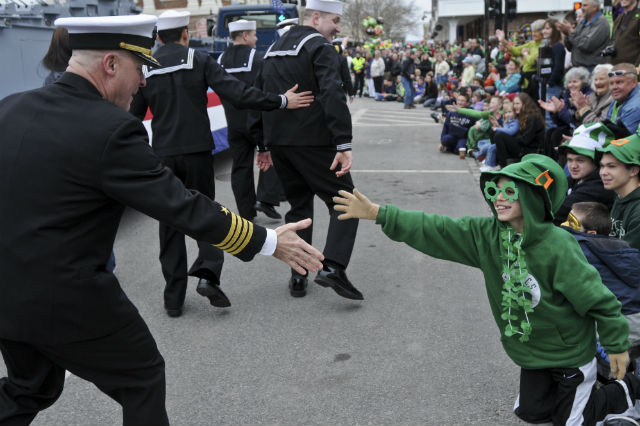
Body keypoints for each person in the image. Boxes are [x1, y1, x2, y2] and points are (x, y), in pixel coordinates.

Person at [0, 15, 324, 425]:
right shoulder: (110, 129)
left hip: (6, 294)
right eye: (139, 69)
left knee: (29, 387)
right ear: (111, 65)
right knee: (142, 378)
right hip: (64, 296)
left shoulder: (10, 107)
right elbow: (182, 205)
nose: (144, 82)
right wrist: (268, 241)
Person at [333, 154, 639, 426]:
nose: (499, 199)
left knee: (571, 422)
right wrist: (379, 213)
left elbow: (599, 300)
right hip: (532, 351)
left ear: (534, 197)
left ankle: (625, 390)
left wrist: (616, 344)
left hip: (569, 352)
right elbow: (437, 229)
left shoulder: (559, 246)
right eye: (494, 190)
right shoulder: (487, 235)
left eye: (510, 192)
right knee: (530, 413)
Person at [130, 10, 313, 317]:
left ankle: (173, 298)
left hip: (163, 155)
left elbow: (133, 114)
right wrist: (280, 101)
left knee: (170, 224)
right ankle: (207, 274)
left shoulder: (147, 69)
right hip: (198, 152)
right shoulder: (199, 60)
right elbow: (239, 94)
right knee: (205, 215)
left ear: (159, 37)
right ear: (186, 34)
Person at [254, 0, 363, 300]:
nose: (338, 28)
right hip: (314, 143)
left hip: (281, 145)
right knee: (347, 203)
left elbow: (261, 98)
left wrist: (263, 144)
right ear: (315, 17)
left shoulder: (272, 49)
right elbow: (331, 92)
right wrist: (343, 142)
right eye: (335, 21)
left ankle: (298, 277)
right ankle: (333, 268)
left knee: (300, 209)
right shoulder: (319, 47)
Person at [217, 19, 284, 223]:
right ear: (245, 36)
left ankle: (246, 212)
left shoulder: (220, 58)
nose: (256, 39)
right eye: (254, 35)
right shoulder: (258, 58)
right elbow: (267, 88)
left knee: (240, 167)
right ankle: (267, 199)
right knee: (274, 155)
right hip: (257, 119)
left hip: (233, 122)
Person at [561, 202, 640, 348]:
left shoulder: (579, 246)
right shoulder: (616, 247)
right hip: (634, 317)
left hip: (619, 322)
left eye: (572, 223)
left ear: (591, 234)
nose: (564, 225)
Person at [554, 123, 617, 225]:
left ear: (596, 162)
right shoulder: (579, 177)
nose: (573, 166)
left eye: (580, 160)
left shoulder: (597, 186)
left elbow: (557, 211)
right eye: (570, 160)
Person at [597, 134, 640, 250]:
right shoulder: (620, 195)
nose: (603, 172)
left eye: (611, 166)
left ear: (633, 170)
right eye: (602, 166)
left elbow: (628, 259)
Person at [494, 93, 545, 168]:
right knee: (496, 133)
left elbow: (526, 140)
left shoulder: (532, 117)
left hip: (529, 151)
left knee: (499, 135)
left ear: (525, 104)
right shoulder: (521, 115)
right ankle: (500, 162)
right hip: (522, 146)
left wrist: (510, 136)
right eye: (514, 104)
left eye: (517, 104)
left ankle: (503, 166)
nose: (515, 106)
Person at [557, 0, 611, 70]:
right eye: (582, 5)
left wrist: (570, 32)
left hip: (591, 68)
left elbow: (587, 45)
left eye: (585, 5)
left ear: (595, 7)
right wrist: (566, 34)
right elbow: (571, 47)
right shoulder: (582, 23)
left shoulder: (601, 23)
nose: (582, 8)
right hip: (578, 68)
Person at [438, 92, 477, 158]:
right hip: (452, 136)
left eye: (462, 101)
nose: (460, 102)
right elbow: (445, 127)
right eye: (458, 100)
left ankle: (452, 148)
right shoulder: (451, 112)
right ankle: (448, 146)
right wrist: (441, 142)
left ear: (467, 103)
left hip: (463, 138)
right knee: (445, 139)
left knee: (459, 150)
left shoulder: (471, 113)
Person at [606, 63, 640, 136]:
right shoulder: (619, 98)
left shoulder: (635, 106)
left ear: (634, 82)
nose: (614, 87)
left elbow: (624, 140)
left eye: (619, 82)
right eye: (611, 83)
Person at [609, 0, 640, 65]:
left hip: (631, 70)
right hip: (615, 67)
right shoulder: (619, 18)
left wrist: (638, 67)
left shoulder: (638, 17)